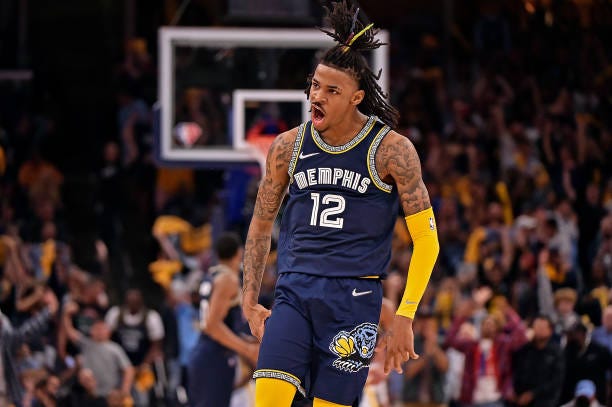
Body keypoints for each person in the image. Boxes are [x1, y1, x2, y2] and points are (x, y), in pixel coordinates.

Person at [242, 2, 439, 406]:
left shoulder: (391, 151)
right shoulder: (286, 147)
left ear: (357, 98)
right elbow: (261, 226)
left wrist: (404, 316)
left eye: (332, 91)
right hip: (294, 293)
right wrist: (248, 300)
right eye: (316, 86)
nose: (317, 97)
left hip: (352, 301)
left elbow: (428, 242)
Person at [187, 232, 259, 407]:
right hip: (214, 356)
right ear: (239, 253)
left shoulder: (213, 274)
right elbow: (212, 326)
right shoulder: (228, 279)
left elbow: (216, 322)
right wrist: (247, 350)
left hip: (207, 352)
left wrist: (246, 341)